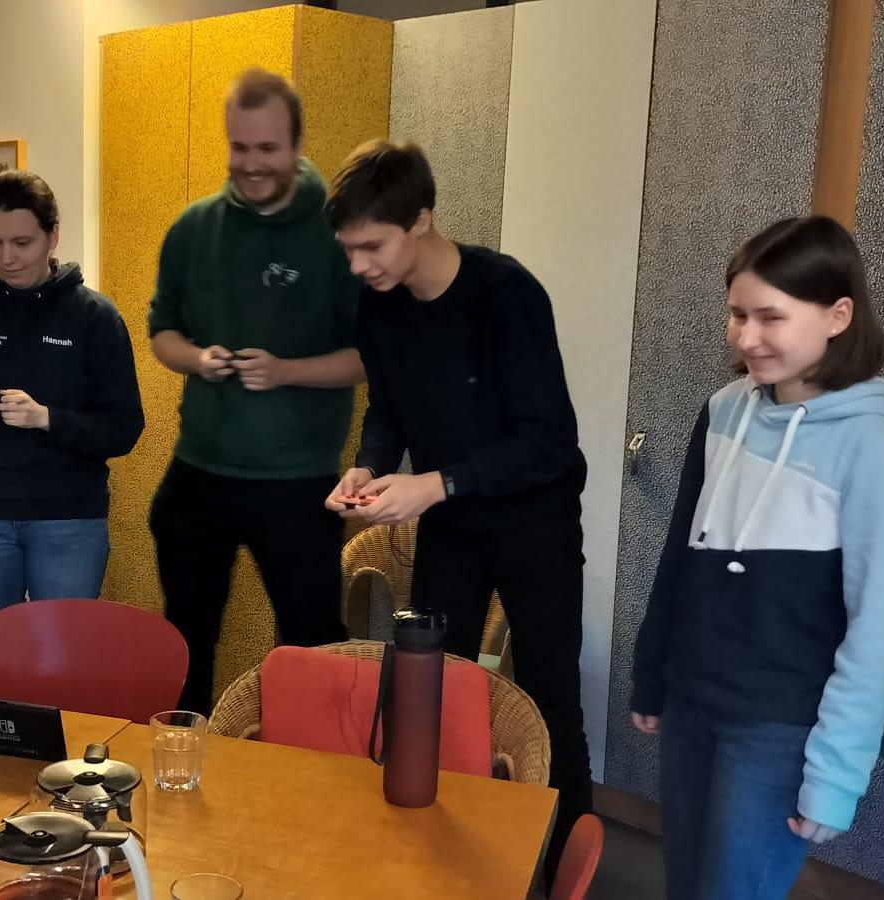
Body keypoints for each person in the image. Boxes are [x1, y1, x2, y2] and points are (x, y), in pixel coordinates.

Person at [629, 216, 884, 899]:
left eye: (771, 317)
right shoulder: (724, 411)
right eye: (738, 314)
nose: (745, 337)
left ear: (837, 316)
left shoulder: (880, 453)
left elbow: (878, 634)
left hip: (780, 727)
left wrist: (837, 775)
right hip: (692, 701)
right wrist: (652, 673)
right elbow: (680, 557)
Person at [322, 139, 593, 881]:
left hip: (536, 524)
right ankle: (438, 865)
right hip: (453, 530)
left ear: (422, 219)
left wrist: (434, 484)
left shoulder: (508, 294)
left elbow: (548, 442)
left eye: (372, 246)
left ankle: (561, 875)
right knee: (430, 694)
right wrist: (369, 463)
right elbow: (388, 409)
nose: (359, 266)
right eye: (348, 250)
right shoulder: (377, 306)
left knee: (551, 701)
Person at [146, 68, 363, 713]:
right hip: (200, 472)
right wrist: (198, 358)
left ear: (297, 145)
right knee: (185, 641)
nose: (251, 164)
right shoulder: (194, 228)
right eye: (239, 147)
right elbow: (162, 333)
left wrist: (286, 370)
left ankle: (311, 766)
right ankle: (183, 761)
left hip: (298, 481)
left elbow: (368, 358)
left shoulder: (337, 233)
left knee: (311, 645)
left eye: (267, 148)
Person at [0, 171, 144, 640]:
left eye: (22, 242)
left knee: (63, 662)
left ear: (52, 235)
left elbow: (123, 428)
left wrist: (47, 419)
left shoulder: (95, 318)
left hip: (68, 519)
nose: (7, 257)